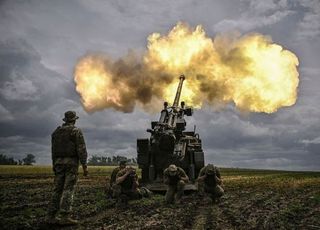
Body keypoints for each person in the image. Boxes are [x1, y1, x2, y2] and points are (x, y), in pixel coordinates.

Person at [46, 111, 88, 225]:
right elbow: (81, 149)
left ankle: (51, 216)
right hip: (71, 164)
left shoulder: (56, 132)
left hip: (58, 163)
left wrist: (54, 164)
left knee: (57, 189)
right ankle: (65, 216)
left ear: (65, 120)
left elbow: (53, 151)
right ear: (74, 120)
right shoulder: (76, 131)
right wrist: (84, 166)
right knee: (68, 189)